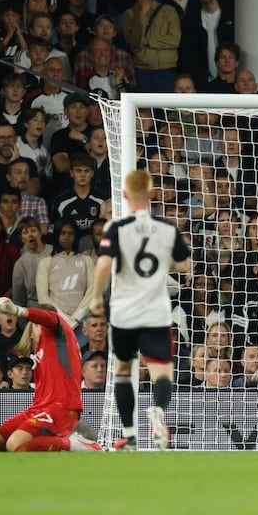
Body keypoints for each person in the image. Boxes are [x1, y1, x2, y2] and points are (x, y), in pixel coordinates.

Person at [89, 169, 191, 451]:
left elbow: (104, 264)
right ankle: (157, 410)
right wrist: (163, 262)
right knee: (161, 373)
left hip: (123, 313)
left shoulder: (116, 228)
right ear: (152, 195)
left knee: (123, 371)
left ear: (124, 196)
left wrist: (97, 296)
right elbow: (185, 265)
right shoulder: (167, 228)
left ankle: (130, 434)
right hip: (156, 312)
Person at [0, 298, 100, 451]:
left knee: (15, 444)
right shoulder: (40, 351)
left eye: (37, 325)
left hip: (61, 408)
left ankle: (76, 445)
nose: (35, 332)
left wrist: (17, 310)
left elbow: (49, 318)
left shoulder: (59, 332)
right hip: (38, 408)